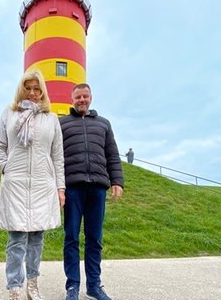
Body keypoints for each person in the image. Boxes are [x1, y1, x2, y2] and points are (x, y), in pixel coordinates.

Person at [0, 70, 66, 300]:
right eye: (28, 88)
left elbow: (58, 156)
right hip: (16, 185)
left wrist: (60, 188)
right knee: (16, 241)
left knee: (36, 240)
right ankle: (14, 287)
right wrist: (6, 167)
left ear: (42, 91)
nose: (32, 93)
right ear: (21, 89)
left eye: (36, 88)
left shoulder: (51, 118)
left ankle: (32, 284)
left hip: (43, 186)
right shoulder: (9, 114)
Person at [59, 83, 124, 300]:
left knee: (94, 239)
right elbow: (56, 157)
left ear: (91, 98)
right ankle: (73, 286)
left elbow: (112, 155)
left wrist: (117, 181)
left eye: (85, 96)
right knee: (71, 238)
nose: (82, 100)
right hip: (73, 188)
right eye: (78, 97)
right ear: (72, 99)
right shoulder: (62, 124)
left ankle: (94, 285)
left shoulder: (104, 124)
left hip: (98, 188)